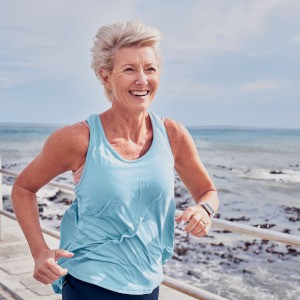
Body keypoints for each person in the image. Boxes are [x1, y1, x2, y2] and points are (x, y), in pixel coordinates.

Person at [11, 20, 219, 299]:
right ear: (106, 77)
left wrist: (204, 212)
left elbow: (208, 192)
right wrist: (39, 252)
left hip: (149, 286)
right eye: (129, 69)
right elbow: (23, 188)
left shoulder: (173, 134)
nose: (142, 80)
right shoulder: (78, 138)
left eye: (150, 69)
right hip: (89, 285)